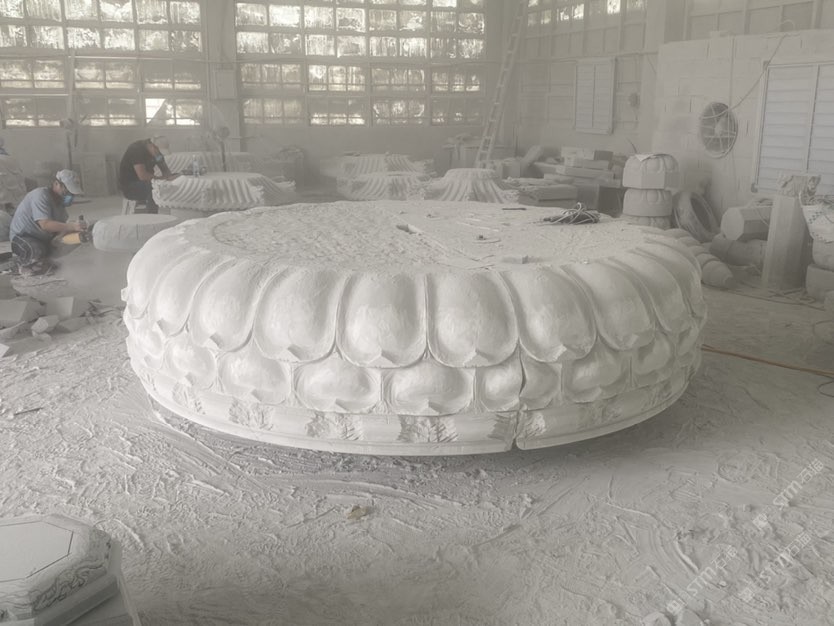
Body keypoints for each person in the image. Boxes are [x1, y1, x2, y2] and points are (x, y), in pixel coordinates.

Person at [9, 170, 86, 276]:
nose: (70, 196)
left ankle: (44, 261)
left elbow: (59, 229)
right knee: (37, 252)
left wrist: (66, 235)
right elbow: (45, 224)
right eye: (67, 191)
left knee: (78, 237)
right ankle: (24, 263)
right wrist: (71, 226)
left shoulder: (60, 206)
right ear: (56, 184)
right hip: (23, 238)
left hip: (43, 239)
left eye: (72, 194)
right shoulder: (40, 195)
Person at [118, 138, 178, 213]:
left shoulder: (157, 153)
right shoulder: (136, 150)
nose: (159, 155)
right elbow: (143, 176)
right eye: (158, 152)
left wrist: (172, 178)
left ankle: (173, 212)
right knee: (155, 188)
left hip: (145, 182)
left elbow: (166, 171)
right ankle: (152, 216)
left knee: (171, 183)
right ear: (152, 146)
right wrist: (162, 179)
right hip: (129, 186)